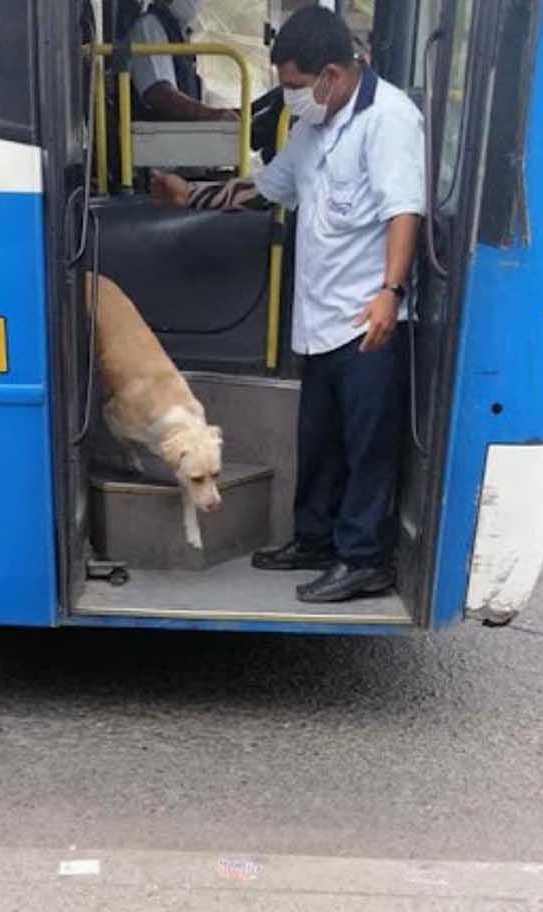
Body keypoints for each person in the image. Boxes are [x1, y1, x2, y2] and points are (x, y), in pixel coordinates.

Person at [154, 6, 424, 604]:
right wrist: (191, 194)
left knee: (367, 447)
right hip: (319, 321)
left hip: (369, 319)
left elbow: (404, 211)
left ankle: (364, 560)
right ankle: (314, 540)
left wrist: (390, 293)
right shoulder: (313, 127)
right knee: (320, 442)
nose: (290, 97)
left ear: (332, 73)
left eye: (296, 86)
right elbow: (265, 188)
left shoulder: (389, 120)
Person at [124, 0, 236, 123]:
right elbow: (159, 94)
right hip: (159, 137)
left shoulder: (182, 34)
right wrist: (210, 115)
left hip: (182, 135)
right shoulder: (148, 27)